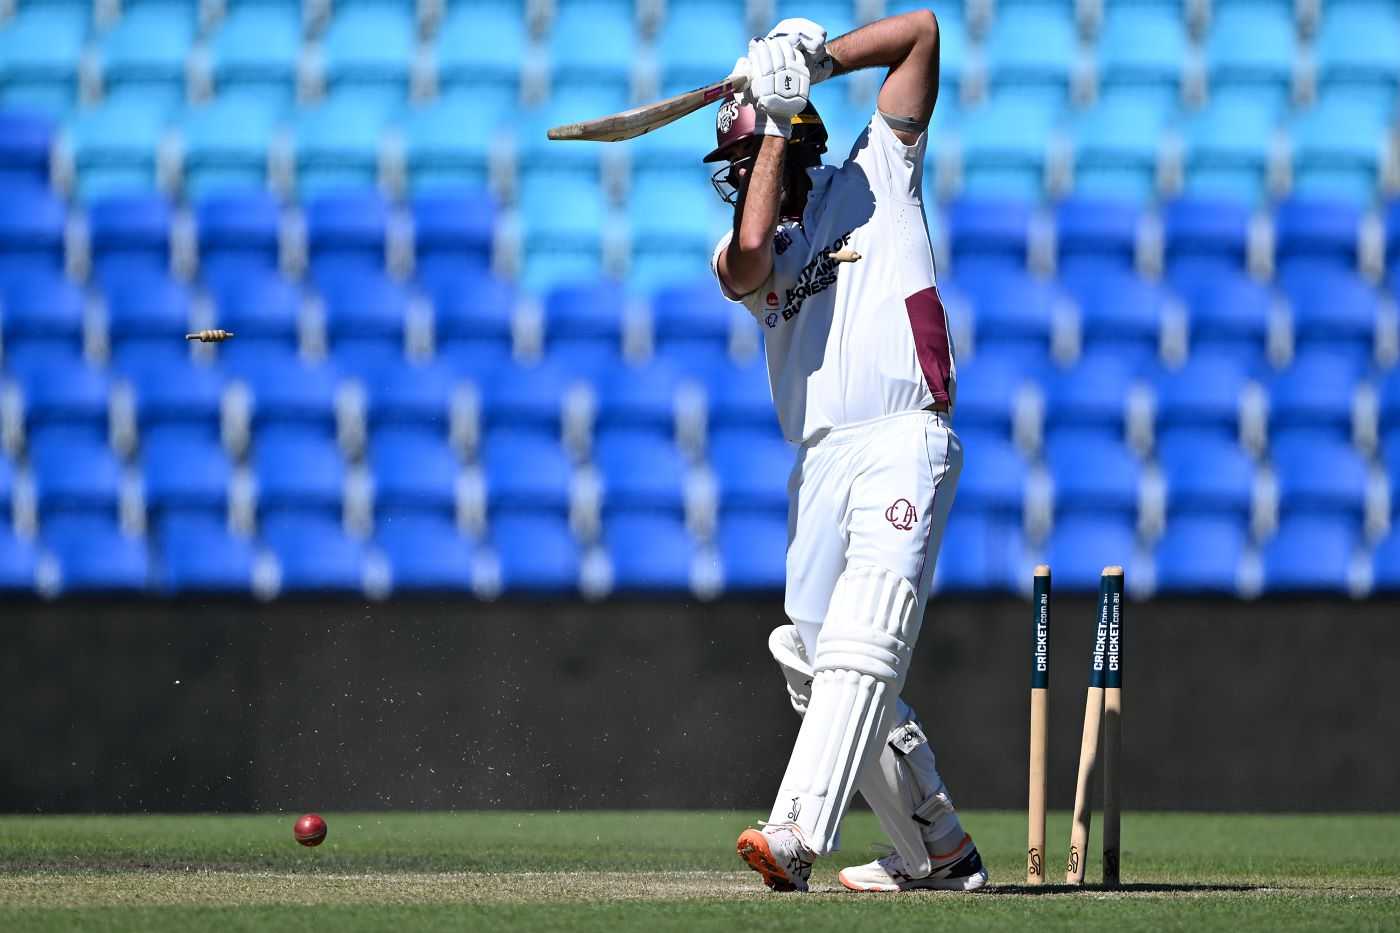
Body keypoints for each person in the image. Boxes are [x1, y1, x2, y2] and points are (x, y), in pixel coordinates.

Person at [707, 12, 987, 893]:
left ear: (805, 144)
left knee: (865, 636)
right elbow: (750, 259)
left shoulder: (879, 170)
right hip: (821, 459)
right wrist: (773, 127)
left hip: (904, 434)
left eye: (756, 162)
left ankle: (795, 833)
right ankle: (936, 848)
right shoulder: (748, 255)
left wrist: (813, 65)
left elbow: (922, 35)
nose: (748, 179)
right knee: (811, 651)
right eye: (741, 167)